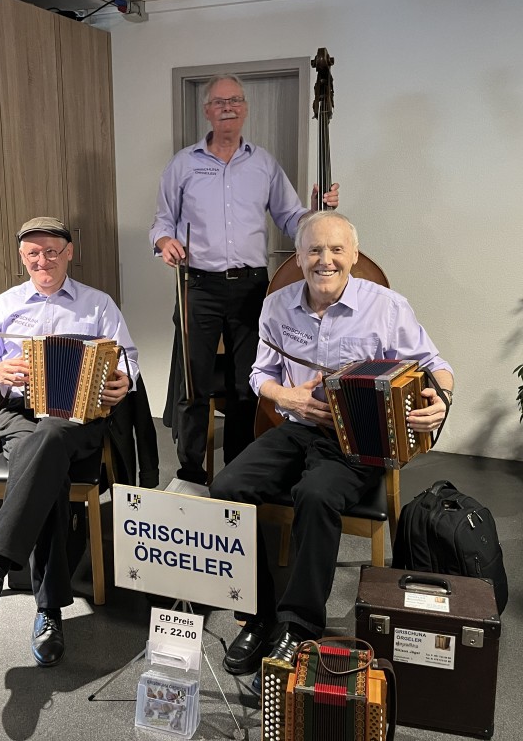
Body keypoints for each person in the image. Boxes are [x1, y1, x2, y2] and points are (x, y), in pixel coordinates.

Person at [208, 211, 454, 692]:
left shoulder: (387, 306)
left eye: (337, 250)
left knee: (316, 494)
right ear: (298, 259)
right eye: (315, 250)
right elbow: (260, 374)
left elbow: (434, 364)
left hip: (359, 440)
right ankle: (256, 616)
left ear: (353, 256)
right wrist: (288, 397)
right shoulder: (276, 305)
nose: (326, 260)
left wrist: (440, 399)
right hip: (298, 426)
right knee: (226, 488)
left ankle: (297, 627)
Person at [0, 216, 140, 668]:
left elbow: (129, 359)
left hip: (80, 416)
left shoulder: (97, 304)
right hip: (20, 415)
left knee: (51, 437)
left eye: (52, 252)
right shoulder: (3, 305)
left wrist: (124, 380)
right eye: (33, 254)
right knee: (46, 462)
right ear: (22, 258)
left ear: (69, 253)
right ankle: (49, 611)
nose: (43, 261)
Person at [150, 73, 339, 484]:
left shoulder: (263, 163)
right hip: (198, 286)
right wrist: (164, 241)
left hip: (252, 288)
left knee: (247, 384)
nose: (228, 108)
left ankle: (236, 472)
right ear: (207, 111)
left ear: (245, 108)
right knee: (192, 384)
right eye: (219, 102)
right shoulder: (183, 164)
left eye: (234, 100)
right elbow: (162, 221)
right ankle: (190, 473)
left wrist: (316, 212)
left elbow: (291, 218)